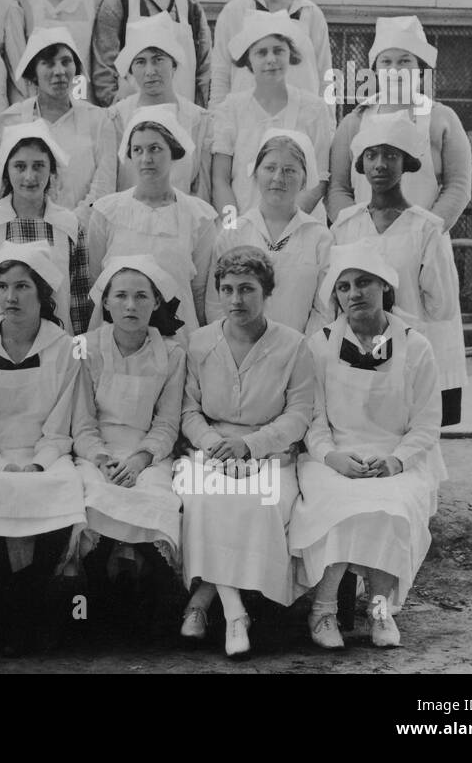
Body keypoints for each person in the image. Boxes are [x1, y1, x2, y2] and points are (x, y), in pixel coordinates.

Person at [289, 243, 447, 650]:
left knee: (389, 507)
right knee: (337, 503)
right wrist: (331, 457)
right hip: (334, 456)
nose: (353, 293)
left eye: (363, 283)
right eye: (343, 287)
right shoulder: (320, 345)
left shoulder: (416, 347)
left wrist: (397, 460)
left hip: (398, 457)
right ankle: (323, 611)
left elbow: (428, 422)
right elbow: (313, 418)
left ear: (384, 288)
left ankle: (379, 611)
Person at [178, 246, 315, 657]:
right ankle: (235, 612)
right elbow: (188, 410)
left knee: (260, 502)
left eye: (247, 289)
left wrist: (250, 447)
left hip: (272, 451)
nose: (236, 299)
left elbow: (299, 415)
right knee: (204, 499)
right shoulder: (200, 343)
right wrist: (216, 447)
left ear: (266, 292)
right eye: (227, 289)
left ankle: (202, 601)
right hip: (210, 450)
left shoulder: (293, 346)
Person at [0, 242, 86, 657]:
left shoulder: (64, 347)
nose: (10, 297)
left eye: (22, 286)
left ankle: (20, 602)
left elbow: (62, 423)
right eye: (3, 286)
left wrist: (40, 463)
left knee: (64, 489)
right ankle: (17, 603)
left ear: (42, 293)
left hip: (46, 452)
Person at [72, 255, 186, 630]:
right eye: (120, 296)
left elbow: (168, 423)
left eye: (141, 296)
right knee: (93, 494)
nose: (131, 305)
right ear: (105, 303)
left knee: (157, 496)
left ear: (156, 303)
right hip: (96, 451)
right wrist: (101, 459)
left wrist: (140, 460)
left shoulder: (171, 354)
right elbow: (83, 422)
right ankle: (99, 595)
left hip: (149, 455)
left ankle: (155, 600)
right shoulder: (85, 348)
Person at [329, 116, 467, 427]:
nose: (380, 164)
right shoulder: (346, 225)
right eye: (371, 155)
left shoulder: (427, 229)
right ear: (361, 164)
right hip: (359, 351)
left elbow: (442, 305)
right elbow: (333, 298)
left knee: (412, 439)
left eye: (391, 155)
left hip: (411, 354)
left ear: (406, 163)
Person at [327, 16, 472, 234]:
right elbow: (337, 189)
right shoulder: (354, 121)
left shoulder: (442, 119)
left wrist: (424, 231)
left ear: (420, 69)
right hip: (362, 244)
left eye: (405, 61)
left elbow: (458, 187)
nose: (395, 70)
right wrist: (358, 229)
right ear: (375, 69)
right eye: (386, 62)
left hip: (423, 242)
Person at [88, 106, 217, 335]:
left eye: (155, 149)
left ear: (173, 151)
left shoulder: (199, 217)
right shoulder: (106, 212)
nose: (146, 159)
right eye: (137, 150)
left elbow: (199, 293)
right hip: (118, 342)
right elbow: (97, 283)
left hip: (179, 339)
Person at [0, 121, 92, 334]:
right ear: (6, 171)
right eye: (20, 166)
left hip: (58, 348)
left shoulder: (71, 226)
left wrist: (78, 354)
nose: (29, 176)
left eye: (38, 166)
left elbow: (80, 300)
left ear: (51, 170)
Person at [210, 10, 333, 217]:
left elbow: (319, 178)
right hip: (243, 225)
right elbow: (220, 180)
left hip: (299, 227)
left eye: (278, 51)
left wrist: (286, 225)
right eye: (261, 52)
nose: (271, 59)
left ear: (290, 55)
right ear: (248, 60)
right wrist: (231, 226)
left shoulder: (314, 109)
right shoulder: (231, 109)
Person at [207, 129, 332, 332]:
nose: (278, 178)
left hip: (299, 354)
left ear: (304, 179)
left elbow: (324, 310)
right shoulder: (233, 233)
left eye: (289, 170)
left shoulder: (320, 238)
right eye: (270, 168)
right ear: (256, 173)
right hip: (240, 356)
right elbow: (215, 305)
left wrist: (300, 351)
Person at [0, 26, 117, 228]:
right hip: (25, 233)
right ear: (33, 72)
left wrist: (70, 224)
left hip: (84, 233)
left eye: (66, 62)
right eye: (48, 63)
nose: (59, 72)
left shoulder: (99, 120)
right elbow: (2, 188)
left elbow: (104, 187)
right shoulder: (11, 121)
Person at [109, 13, 211, 197]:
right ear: (131, 69)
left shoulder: (199, 120)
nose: (150, 71)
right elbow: (109, 184)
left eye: (158, 59)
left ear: (174, 65)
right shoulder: (115, 118)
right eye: (140, 62)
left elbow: (202, 190)